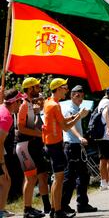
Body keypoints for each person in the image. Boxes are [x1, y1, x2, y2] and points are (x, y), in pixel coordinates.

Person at [42, 78, 88, 218]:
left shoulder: (50, 102)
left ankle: (55, 209)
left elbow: (61, 120)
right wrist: (79, 116)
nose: (67, 90)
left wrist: (75, 115)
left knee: (58, 178)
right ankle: (57, 211)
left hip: (52, 144)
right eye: (65, 88)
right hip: (54, 145)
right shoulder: (54, 105)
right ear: (58, 88)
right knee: (59, 178)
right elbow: (65, 127)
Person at [16, 78, 49, 218]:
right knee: (30, 178)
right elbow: (21, 128)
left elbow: (31, 124)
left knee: (34, 177)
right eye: (37, 87)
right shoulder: (24, 104)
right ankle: (27, 210)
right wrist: (38, 133)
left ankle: (29, 208)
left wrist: (37, 113)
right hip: (24, 146)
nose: (39, 89)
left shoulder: (30, 103)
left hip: (31, 145)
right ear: (30, 89)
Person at [61, 85, 97, 214]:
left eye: (82, 96)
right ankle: (63, 205)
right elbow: (70, 127)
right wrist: (80, 137)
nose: (80, 98)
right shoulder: (69, 109)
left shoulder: (78, 109)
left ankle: (82, 204)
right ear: (72, 95)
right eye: (77, 95)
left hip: (77, 145)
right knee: (69, 178)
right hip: (71, 145)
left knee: (83, 176)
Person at [0, 89, 26, 218]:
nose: (21, 104)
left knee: (5, 182)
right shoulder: (6, 117)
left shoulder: (2, 108)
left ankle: (1, 210)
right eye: (20, 101)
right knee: (5, 181)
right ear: (14, 102)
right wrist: (2, 163)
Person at [97, 87, 109, 191]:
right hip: (107, 135)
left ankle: (103, 182)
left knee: (103, 159)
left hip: (101, 135)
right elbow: (106, 114)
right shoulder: (107, 102)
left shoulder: (101, 101)